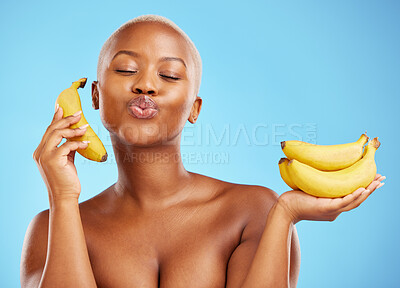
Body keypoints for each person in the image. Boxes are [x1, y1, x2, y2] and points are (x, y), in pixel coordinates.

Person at [21, 14, 385, 288]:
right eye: (127, 69)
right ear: (95, 97)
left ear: (194, 109)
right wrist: (63, 199)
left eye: (169, 76)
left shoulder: (254, 212)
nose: (146, 85)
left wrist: (285, 213)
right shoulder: (52, 227)